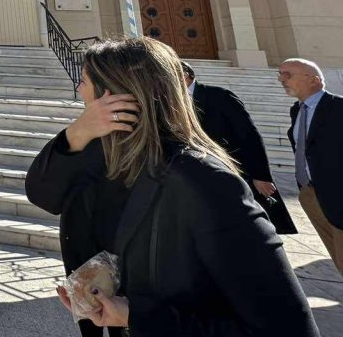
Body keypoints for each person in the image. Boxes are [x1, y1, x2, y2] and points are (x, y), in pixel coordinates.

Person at [26, 37, 320, 337]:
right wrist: (77, 132)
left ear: (112, 93)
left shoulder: (204, 181)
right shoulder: (102, 157)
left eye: (84, 80)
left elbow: (287, 327)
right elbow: (42, 193)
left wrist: (137, 317)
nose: (78, 89)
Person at [184, 61, 296, 235]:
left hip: (234, 170)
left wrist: (261, 175)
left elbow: (249, 135)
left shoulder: (219, 96)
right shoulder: (172, 102)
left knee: (253, 225)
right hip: (202, 175)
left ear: (185, 75)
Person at [281, 57, 343, 273]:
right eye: (280, 74)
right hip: (311, 194)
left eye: (288, 74)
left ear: (314, 80)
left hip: (338, 195)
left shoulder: (339, 108)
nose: (281, 79)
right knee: (338, 257)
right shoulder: (297, 111)